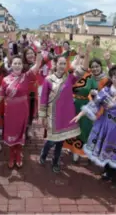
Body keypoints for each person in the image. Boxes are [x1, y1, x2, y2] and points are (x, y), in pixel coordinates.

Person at [72, 65, 116, 184]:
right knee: (105, 148)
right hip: (106, 125)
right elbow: (94, 104)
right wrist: (80, 114)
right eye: (115, 77)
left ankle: (111, 172)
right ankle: (109, 172)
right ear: (111, 78)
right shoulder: (106, 91)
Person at [0, 46, 43, 169]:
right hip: (10, 111)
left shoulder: (26, 76)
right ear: (11, 65)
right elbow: (0, 95)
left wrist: (38, 51)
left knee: (21, 132)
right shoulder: (5, 80)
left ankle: (19, 154)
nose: (17, 65)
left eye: (19, 63)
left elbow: (38, 63)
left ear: (22, 65)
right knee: (11, 132)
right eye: (14, 63)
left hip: (23, 110)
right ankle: (12, 155)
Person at [38, 43, 91, 173]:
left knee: (60, 142)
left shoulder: (70, 78)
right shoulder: (48, 80)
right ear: (54, 65)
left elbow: (83, 69)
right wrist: (42, 117)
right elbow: (43, 99)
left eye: (64, 64)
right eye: (59, 63)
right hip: (52, 115)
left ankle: (56, 162)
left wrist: (87, 53)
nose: (62, 66)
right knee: (51, 141)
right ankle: (44, 154)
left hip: (65, 116)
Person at [64, 56, 110, 163]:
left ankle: (80, 151)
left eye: (97, 66)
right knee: (71, 127)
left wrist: (96, 93)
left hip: (86, 105)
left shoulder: (91, 77)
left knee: (84, 129)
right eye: (79, 61)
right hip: (72, 104)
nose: (81, 64)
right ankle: (71, 148)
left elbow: (98, 91)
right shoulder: (71, 75)